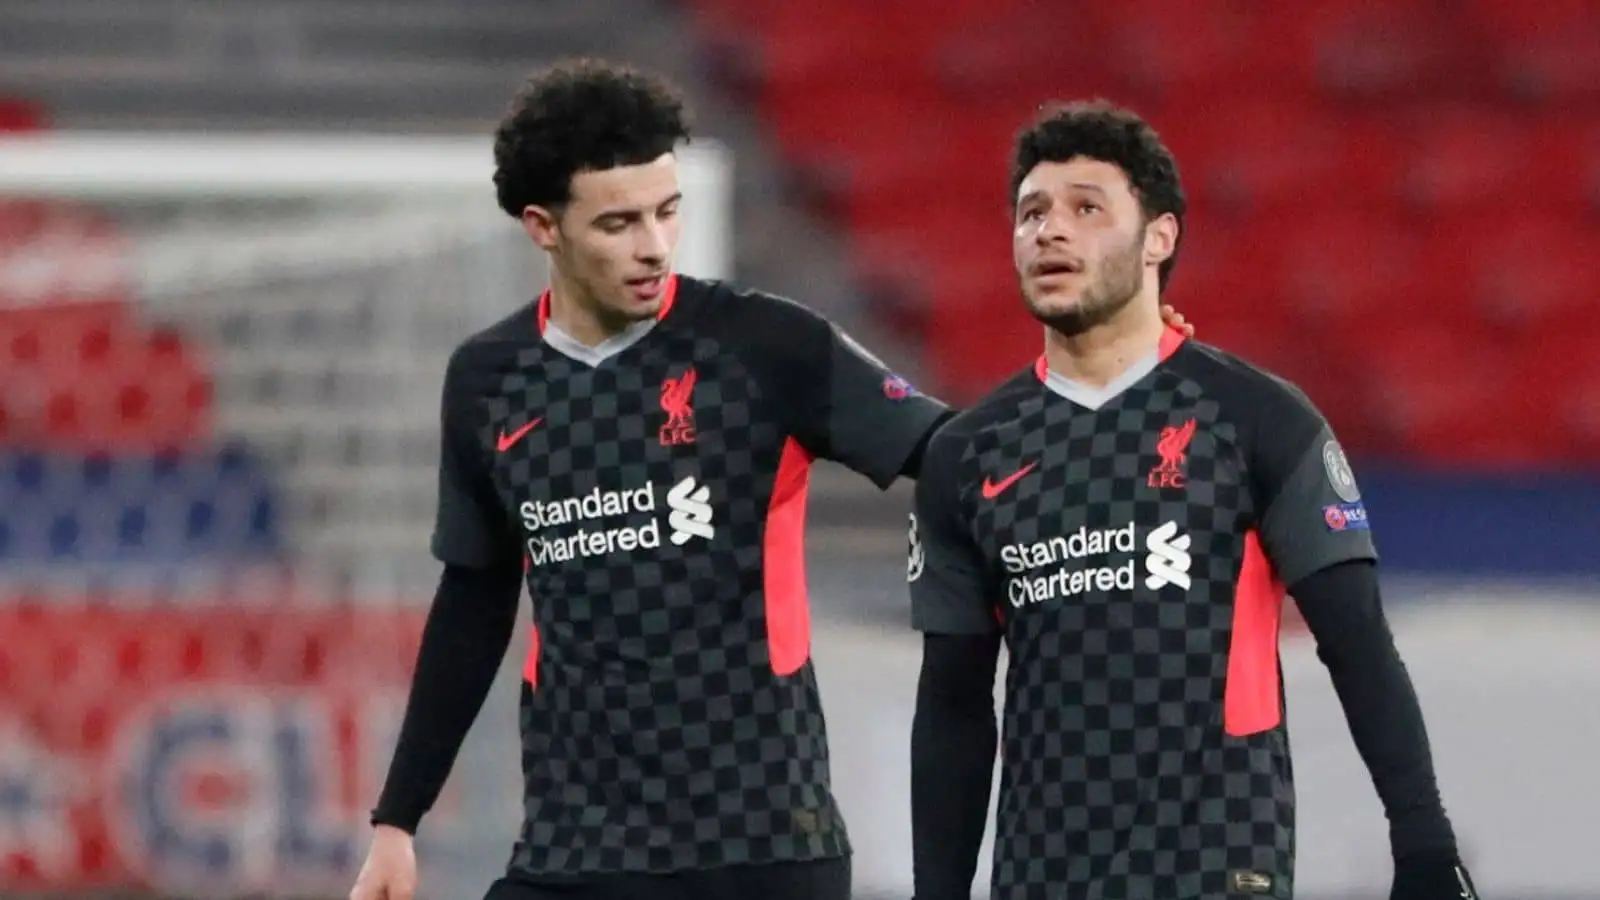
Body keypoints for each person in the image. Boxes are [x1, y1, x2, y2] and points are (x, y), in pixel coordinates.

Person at [348, 59, 1195, 900]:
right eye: (618, 224)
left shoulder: (762, 347)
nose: (653, 244)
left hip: (762, 845)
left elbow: (959, 453)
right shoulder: (491, 380)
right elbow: (473, 603)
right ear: (543, 226)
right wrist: (398, 821)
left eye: (666, 212)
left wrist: (1124, 380)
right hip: (579, 849)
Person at [905, 100, 1478, 900]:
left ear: (1159, 237)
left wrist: (1423, 841)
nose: (1049, 231)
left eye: (1086, 208)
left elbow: (1360, 648)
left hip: (1218, 870)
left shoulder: (1256, 420)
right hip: (1039, 878)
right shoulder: (968, 455)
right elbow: (953, 708)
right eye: (1031, 212)